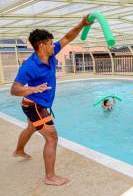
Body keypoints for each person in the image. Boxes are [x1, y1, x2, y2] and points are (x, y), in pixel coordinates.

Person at [10, 15, 92, 186]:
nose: (52, 45)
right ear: (41, 46)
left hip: (37, 103)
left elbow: (68, 37)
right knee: (52, 138)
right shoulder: (29, 66)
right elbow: (14, 89)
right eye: (49, 43)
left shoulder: (51, 52)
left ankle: (18, 150)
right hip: (35, 106)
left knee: (32, 127)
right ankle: (50, 177)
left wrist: (82, 24)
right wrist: (31, 89)